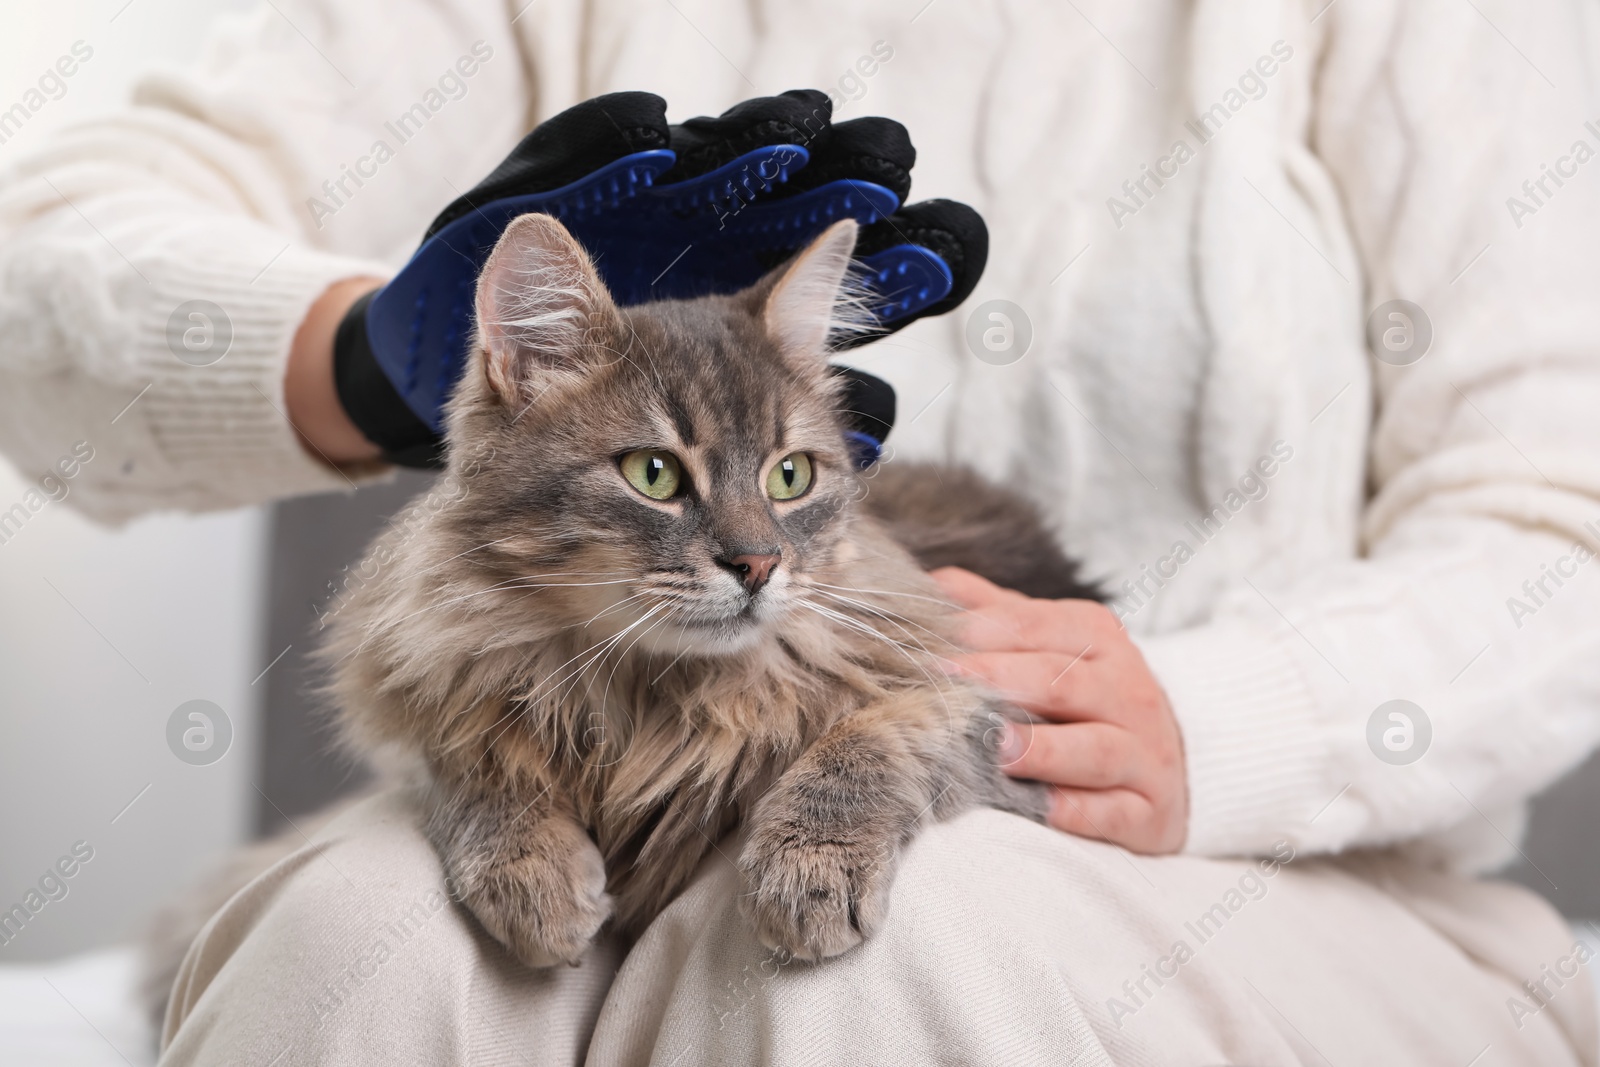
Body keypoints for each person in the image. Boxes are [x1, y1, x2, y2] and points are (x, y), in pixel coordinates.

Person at [3, 0, 1598, 1062]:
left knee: (870, 958)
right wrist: (359, 353)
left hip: (1290, 872)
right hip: (596, 727)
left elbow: (1561, 524)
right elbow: (34, 281)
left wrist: (1237, 721)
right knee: (345, 950)